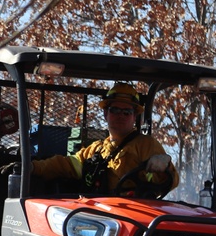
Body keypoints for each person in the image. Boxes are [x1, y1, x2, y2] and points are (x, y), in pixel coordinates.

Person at [29, 82, 179, 194]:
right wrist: (32, 167)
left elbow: (170, 181)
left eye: (126, 112)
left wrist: (164, 165)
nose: (120, 115)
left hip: (134, 214)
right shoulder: (97, 149)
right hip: (100, 215)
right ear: (106, 114)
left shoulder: (146, 145)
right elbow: (66, 165)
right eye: (115, 110)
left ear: (135, 117)